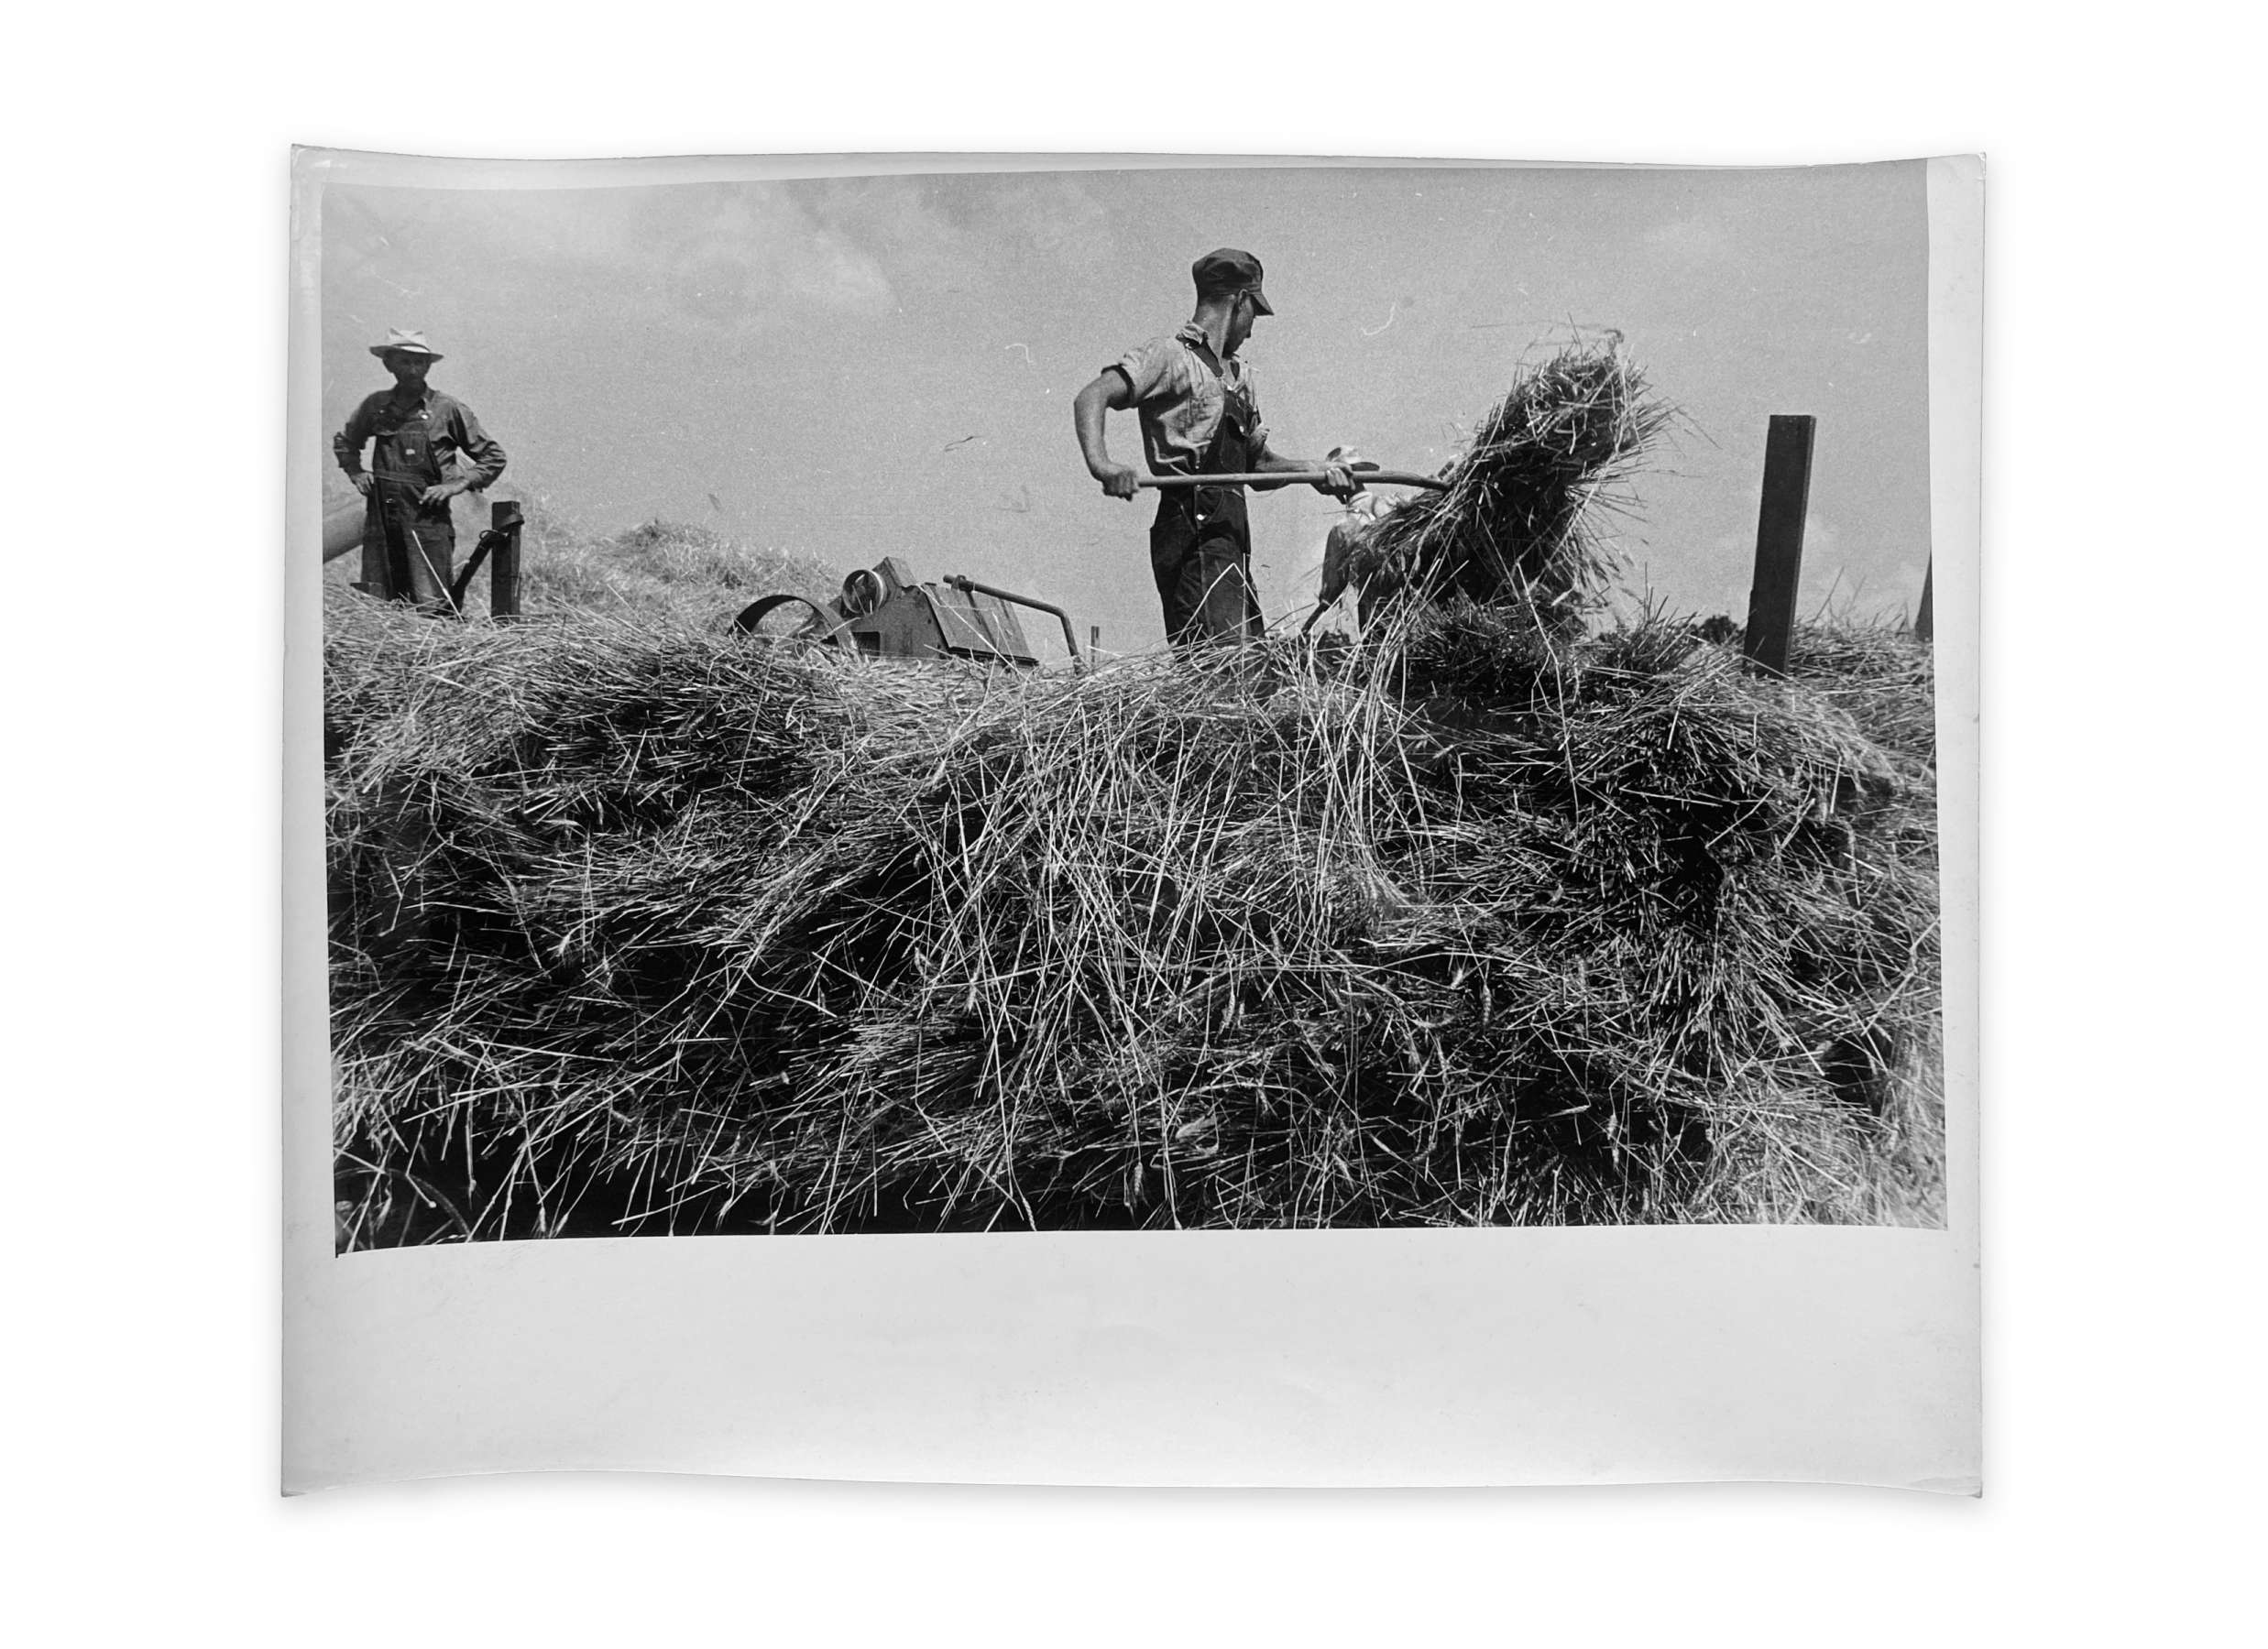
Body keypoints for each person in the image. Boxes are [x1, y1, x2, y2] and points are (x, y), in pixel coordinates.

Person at [1074, 249, 1353, 646]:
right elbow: (1092, 396)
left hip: (1229, 544)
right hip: (1193, 538)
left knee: (1251, 666)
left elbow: (1257, 468)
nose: (1251, 331)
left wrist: (1316, 471)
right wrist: (1103, 466)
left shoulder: (1237, 378)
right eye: (1254, 313)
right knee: (1224, 667)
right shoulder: (1170, 357)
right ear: (1240, 299)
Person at [334, 329, 507, 613]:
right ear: (388, 364)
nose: (413, 370)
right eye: (404, 361)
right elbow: (346, 442)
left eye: (419, 362)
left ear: (428, 366)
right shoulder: (376, 405)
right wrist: (356, 472)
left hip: (427, 519)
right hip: (382, 518)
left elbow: (494, 456)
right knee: (378, 602)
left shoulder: (447, 408)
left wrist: (457, 484)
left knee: (430, 605)